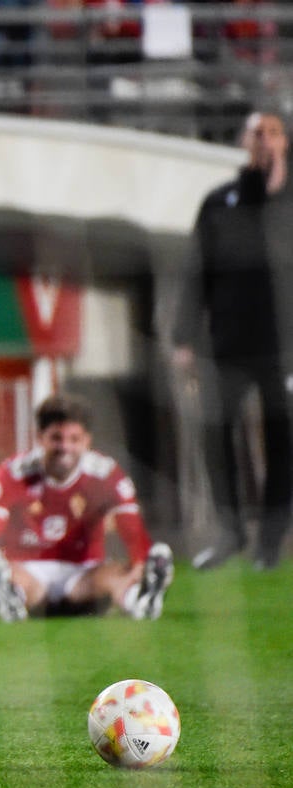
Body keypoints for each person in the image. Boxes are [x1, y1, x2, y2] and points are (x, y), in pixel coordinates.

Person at [172, 111, 293, 571]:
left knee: (284, 441)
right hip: (228, 340)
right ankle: (230, 531)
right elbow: (194, 270)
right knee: (214, 432)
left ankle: (270, 542)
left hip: (285, 345)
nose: (264, 141)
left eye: (273, 133)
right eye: (256, 133)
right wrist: (183, 337)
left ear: (284, 142)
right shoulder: (219, 201)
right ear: (243, 140)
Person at [0, 394, 174, 623]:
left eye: (74, 439)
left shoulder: (105, 474)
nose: (65, 447)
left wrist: (140, 567)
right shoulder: (12, 474)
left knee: (116, 575)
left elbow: (135, 536)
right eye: (56, 438)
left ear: (87, 441)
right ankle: (11, 594)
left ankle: (139, 600)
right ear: (40, 438)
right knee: (10, 574)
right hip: (29, 573)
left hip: (84, 576)